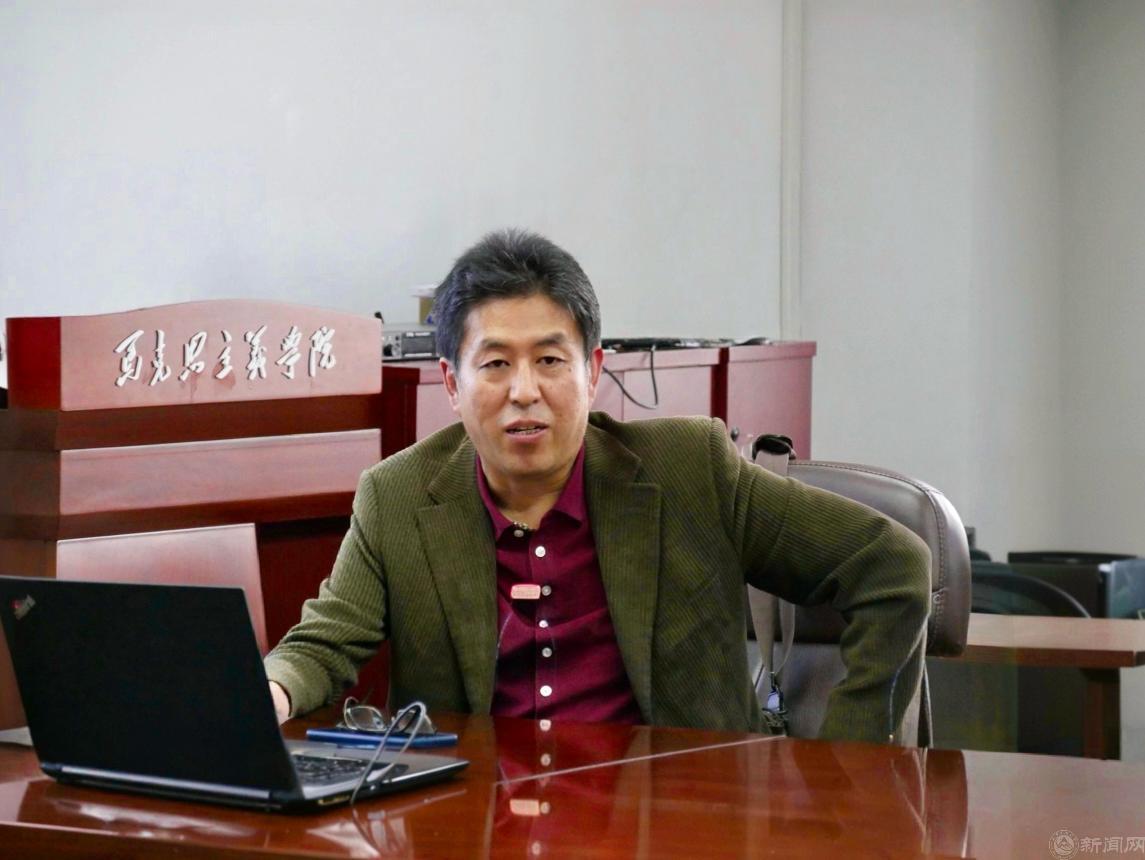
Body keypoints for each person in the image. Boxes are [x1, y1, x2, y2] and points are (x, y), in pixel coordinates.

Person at [264, 229, 930, 742]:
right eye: (494, 364)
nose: (524, 391)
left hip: (681, 826)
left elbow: (892, 567)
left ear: (592, 372)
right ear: (450, 383)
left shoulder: (690, 472)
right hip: (472, 829)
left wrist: (846, 763)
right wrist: (271, 691)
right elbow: (323, 645)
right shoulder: (399, 498)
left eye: (550, 360)